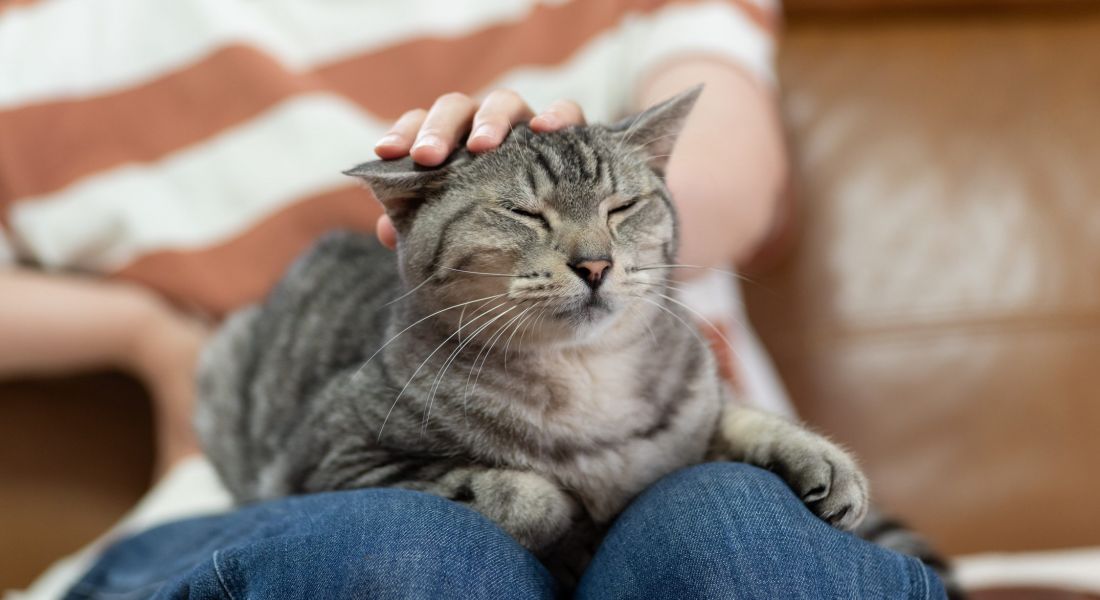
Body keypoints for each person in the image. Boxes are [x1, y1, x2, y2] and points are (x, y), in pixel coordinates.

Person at [1, 1, 945, 597]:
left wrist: (584, 172)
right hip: (295, 471)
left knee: (732, 538)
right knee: (406, 555)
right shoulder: (39, 38)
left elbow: (732, 181)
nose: (586, 257)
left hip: (674, 442)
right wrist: (147, 335)